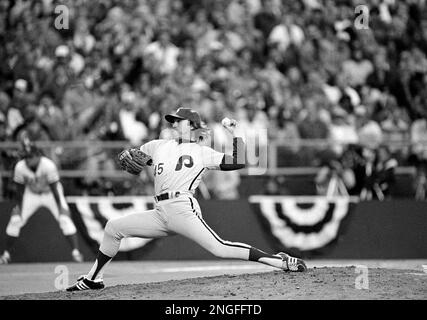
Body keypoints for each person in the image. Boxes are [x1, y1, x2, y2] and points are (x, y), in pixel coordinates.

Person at [66, 107, 307, 291]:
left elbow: (238, 161)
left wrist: (235, 133)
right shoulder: (158, 145)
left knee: (220, 248)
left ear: (192, 126)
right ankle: (93, 279)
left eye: (178, 121)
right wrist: (129, 156)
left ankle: (280, 261)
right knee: (113, 228)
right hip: (159, 212)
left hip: (182, 208)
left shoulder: (202, 151)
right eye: (172, 121)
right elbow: (136, 161)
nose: (173, 124)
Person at [0, 140, 84, 264]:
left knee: (65, 219)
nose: (28, 160)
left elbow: (55, 189)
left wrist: (61, 208)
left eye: (30, 156)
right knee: (16, 220)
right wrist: (18, 207)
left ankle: (76, 253)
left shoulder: (48, 165)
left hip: (50, 193)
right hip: (31, 194)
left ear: (38, 155)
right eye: (26, 157)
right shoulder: (20, 167)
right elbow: (20, 191)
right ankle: (5, 254)